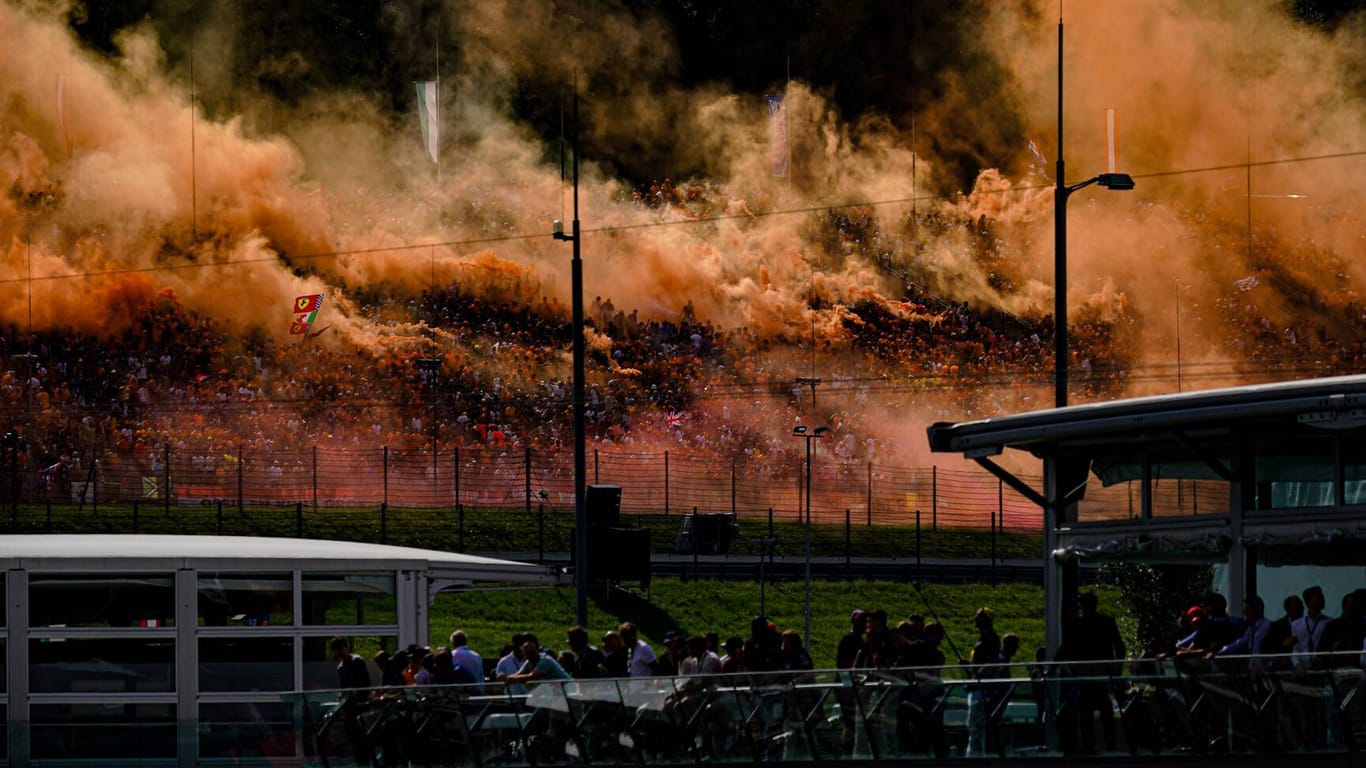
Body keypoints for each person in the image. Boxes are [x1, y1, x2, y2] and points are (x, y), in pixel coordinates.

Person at [1058, 591, 1125, 755]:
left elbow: (1065, 648)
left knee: (1086, 710)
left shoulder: (1076, 625)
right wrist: (1117, 668)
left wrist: (1055, 666)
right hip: (1102, 672)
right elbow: (1119, 647)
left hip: (1084, 673)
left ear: (1082, 606)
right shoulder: (1107, 622)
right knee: (1105, 708)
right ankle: (1111, 745)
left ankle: (1089, 747)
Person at [964, 608, 1002, 757]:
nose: (975, 619)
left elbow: (990, 663)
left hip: (984, 688)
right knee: (974, 726)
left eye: (978, 617)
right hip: (977, 686)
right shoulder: (981, 639)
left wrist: (977, 676)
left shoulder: (991, 639)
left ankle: (978, 756)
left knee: (978, 725)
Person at [331, 636, 373, 765]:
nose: (339, 653)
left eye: (340, 649)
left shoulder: (357, 662)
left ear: (346, 647)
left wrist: (359, 698)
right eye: (336, 650)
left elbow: (365, 684)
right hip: (350, 705)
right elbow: (344, 688)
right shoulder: (341, 667)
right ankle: (361, 761)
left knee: (363, 734)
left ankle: (366, 760)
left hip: (360, 704)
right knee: (353, 735)